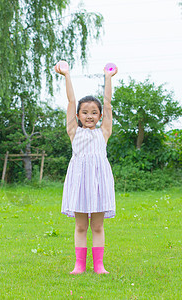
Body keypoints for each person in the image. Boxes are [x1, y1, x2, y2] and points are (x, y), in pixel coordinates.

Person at [55, 61, 117, 274]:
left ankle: (99, 265)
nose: (89, 116)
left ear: (100, 116)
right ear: (78, 116)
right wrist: (66, 75)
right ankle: (79, 265)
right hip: (79, 181)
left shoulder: (104, 132)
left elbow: (107, 103)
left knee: (98, 226)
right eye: (85, 112)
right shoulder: (74, 131)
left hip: (99, 182)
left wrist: (108, 78)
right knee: (81, 226)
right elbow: (72, 100)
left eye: (94, 112)